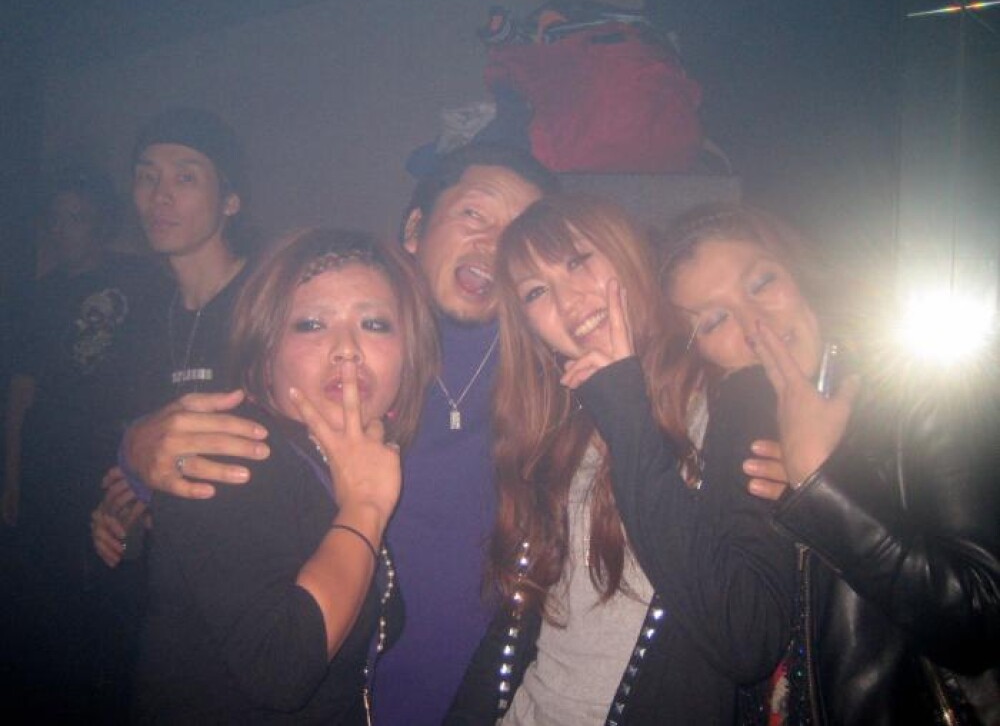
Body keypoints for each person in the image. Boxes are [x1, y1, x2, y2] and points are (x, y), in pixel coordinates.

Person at [93, 143, 558, 724]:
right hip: (319, 680)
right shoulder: (329, 341)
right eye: (474, 213)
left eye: (521, 231)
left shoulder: (548, 377)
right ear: (415, 227)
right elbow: (237, 424)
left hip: (454, 694)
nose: (495, 243)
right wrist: (139, 454)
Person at [446, 193, 797, 725]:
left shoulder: (730, 397)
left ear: (627, 252)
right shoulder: (558, 425)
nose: (567, 300)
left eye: (578, 261)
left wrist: (626, 408)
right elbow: (523, 621)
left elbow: (747, 639)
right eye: (536, 291)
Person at [659, 203, 1000, 724]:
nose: (754, 325)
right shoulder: (721, 440)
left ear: (799, 274)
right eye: (714, 320)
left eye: (761, 283)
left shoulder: (917, 394)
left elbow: (980, 620)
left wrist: (824, 485)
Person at [134, 227, 437, 722]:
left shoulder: (343, 457)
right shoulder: (228, 450)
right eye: (312, 324)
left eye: (375, 324)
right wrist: (365, 506)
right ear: (265, 352)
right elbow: (282, 664)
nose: (347, 348)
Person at [1, 167, 159, 717]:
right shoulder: (36, 295)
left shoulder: (139, 278)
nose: (66, 229)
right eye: (58, 218)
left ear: (101, 222)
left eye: (79, 217)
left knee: (116, 576)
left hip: (112, 453)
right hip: (50, 454)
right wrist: (11, 478)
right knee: (50, 583)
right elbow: (20, 394)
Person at [90, 106, 255, 567]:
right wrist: (119, 515)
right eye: (147, 177)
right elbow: (141, 463)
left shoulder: (270, 303)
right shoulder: (142, 319)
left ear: (230, 200)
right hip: (171, 584)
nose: (160, 196)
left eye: (185, 178)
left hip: (258, 576)